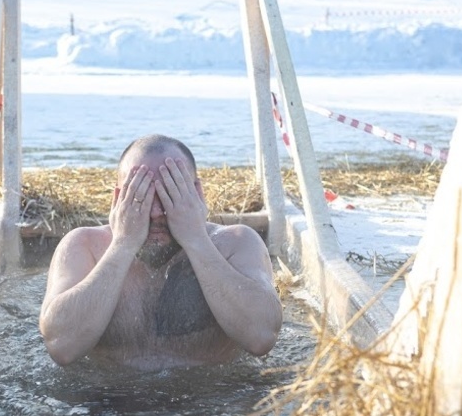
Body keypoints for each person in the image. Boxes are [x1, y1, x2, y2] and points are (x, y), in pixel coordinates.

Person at [39, 134, 283, 371]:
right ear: (117, 200)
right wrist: (123, 243)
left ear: (197, 195)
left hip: (214, 400)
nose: (155, 212)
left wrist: (196, 239)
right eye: (140, 196)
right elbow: (62, 347)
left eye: (170, 194)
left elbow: (261, 337)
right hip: (107, 400)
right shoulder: (84, 246)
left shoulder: (236, 243)